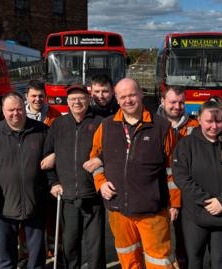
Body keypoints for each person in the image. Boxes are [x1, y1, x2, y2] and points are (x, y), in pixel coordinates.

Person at [90, 78, 179, 269]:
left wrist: (175, 203)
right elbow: (95, 158)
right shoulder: (106, 126)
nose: (127, 100)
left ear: (141, 94)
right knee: (128, 260)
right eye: (122, 97)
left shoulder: (162, 127)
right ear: (117, 99)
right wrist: (101, 183)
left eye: (131, 95)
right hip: (119, 210)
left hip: (153, 211)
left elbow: (173, 170)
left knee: (159, 261)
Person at [172, 97, 222, 269]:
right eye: (209, 121)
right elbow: (181, 177)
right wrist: (206, 200)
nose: (214, 126)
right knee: (194, 259)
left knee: (220, 260)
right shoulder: (186, 144)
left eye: (218, 121)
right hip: (194, 215)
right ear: (199, 119)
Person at [0, 92, 48, 269]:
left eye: (18, 109)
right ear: (3, 111)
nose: (15, 113)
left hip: (35, 203)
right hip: (4, 205)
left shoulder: (41, 130)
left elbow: (53, 156)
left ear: (24, 108)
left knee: (37, 253)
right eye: (10, 110)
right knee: (7, 255)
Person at [43, 85, 105, 269]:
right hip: (68, 196)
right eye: (72, 99)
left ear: (88, 99)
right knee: (69, 243)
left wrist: (100, 159)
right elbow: (47, 157)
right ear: (67, 102)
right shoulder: (58, 124)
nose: (77, 102)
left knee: (95, 245)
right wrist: (53, 182)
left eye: (81, 98)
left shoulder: (101, 122)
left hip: (93, 195)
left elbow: (113, 152)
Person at [156, 85, 199, 268]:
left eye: (181, 102)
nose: (177, 106)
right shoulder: (151, 125)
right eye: (172, 101)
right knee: (158, 240)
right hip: (157, 193)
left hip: (186, 195)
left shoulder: (195, 128)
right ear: (163, 101)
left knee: (185, 240)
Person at [22, 79, 61, 261]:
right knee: (27, 216)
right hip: (26, 174)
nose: (37, 99)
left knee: (52, 215)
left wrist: (55, 155)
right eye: (33, 96)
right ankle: (26, 253)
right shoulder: (18, 114)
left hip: (49, 174)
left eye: (41, 96)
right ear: (27, 97)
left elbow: (63, 143)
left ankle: (53, 251)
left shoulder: (55, 116)